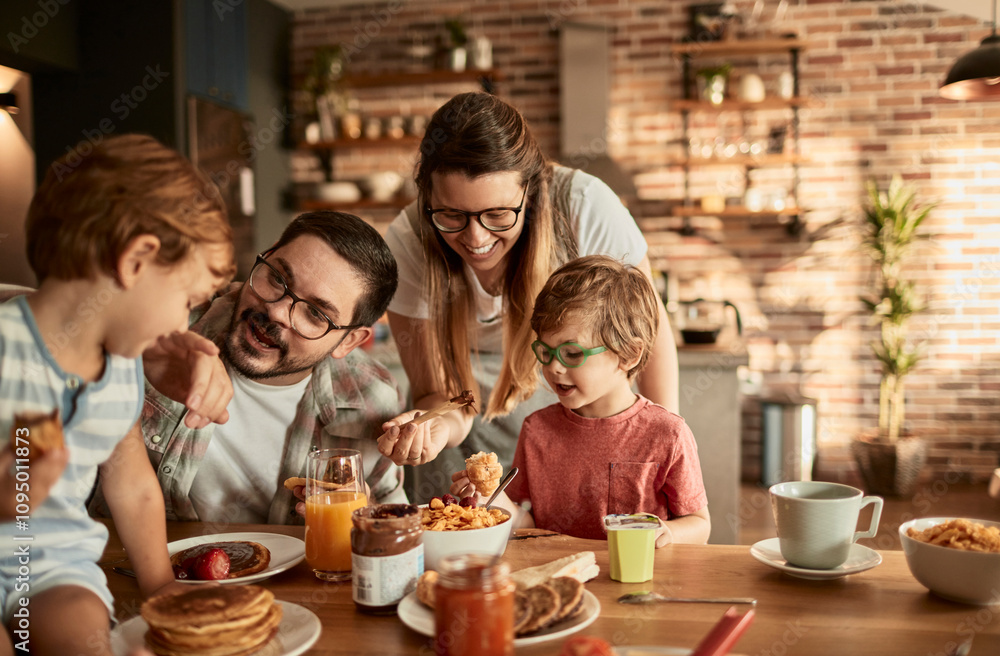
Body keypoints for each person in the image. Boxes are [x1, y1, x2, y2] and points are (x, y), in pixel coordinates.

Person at [0, 134, 235, 656]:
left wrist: (159, 586)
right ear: (136, 260)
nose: (184, 325)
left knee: (76, 633)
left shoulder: (122, 370)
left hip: (52, 568)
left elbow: (130, 481)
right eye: (188, 301)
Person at [377, 91, 680, 502]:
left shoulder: (585, 207)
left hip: (571, 387)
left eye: (498, 214)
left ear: (531, 193)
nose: (476, 238)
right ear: (426, 198)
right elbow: (440, 393)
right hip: (471, 414)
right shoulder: (409, 240)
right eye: (451, 215)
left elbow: (652, 334)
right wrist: (435, 427)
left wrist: (664, 444)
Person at [94, 211, 407, 526]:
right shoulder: (166, 323)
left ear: (349, 341)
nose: (277, 312)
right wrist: (145, 354)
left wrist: (362, 509)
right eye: (278, 279)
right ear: (267, 254)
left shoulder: (370, 399)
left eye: (314, 313)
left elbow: (397, 527)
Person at [451, 256, 710, 546]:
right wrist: (495, 501)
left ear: (628, 355)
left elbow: (700, 524)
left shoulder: (668, 433)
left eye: (572, 354)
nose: (554, 368)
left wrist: (670, 533)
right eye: (545, 352)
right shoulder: (536, 429)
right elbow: (528, 523)